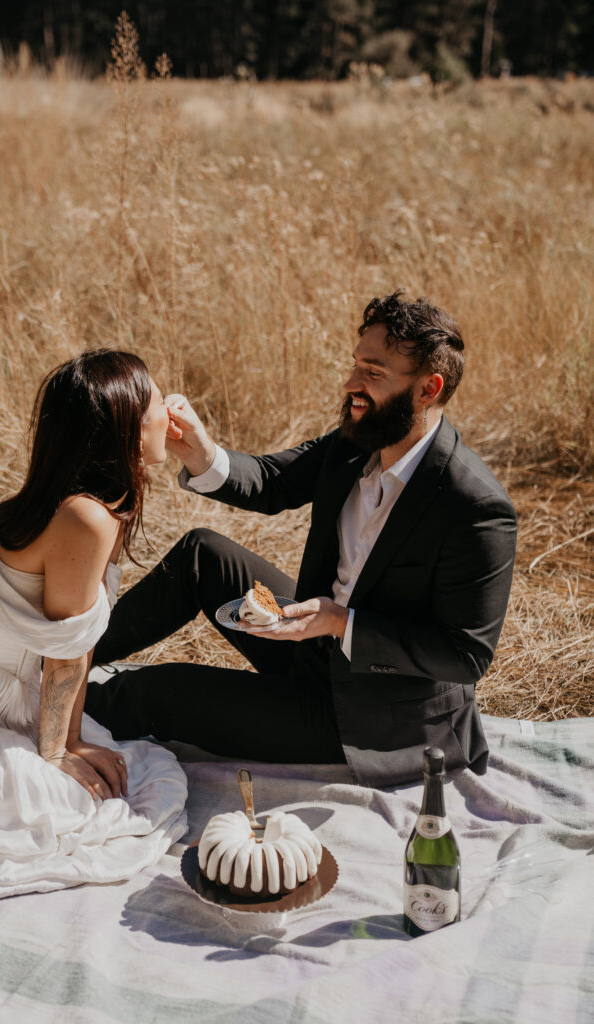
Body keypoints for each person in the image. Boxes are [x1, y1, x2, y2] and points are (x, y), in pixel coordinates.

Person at [85, 293, 518, 788]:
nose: (352, 384)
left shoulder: (475, 506)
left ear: (428, 389)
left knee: (152, 694)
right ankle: (69, 658)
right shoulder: (356, 441)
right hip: (310, 650)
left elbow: (465, 656)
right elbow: (272, 481)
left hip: (370, 715)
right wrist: (201, 451)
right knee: (201, 554)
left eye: (373, 373)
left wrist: (341, 623)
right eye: (356, 365)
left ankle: (38, 711)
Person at [0, 350, 188, 913]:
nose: (173, 408)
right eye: (159, 400)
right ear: (128, 430)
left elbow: (73, 642)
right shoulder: (84, 517)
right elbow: (66, 654)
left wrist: (71, 739)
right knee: (82, 806)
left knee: (110, 770)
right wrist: (59, 750)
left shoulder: (77, 499)